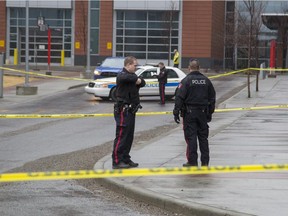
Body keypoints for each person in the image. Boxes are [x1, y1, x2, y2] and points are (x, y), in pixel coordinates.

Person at [173, 59, 216, 167]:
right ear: (199, 67)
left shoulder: (186, 80)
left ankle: (192, 161)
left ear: (189, 68)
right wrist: (210, 112)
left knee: (191, 138)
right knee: (203, 138)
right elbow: (212, 97)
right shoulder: (206, 80)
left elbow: (179, 97)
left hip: (190, 113)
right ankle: (205, 162)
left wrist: (176, 112)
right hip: (202, 113)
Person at [112, 56, 146, 169]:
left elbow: (142, 82)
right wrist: (137, 79)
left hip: (131, 110)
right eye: (134, 65)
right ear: (128, 65)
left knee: (129, 136)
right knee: (121, 135)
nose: (136, 67)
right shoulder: (122, 75)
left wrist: (138, 80)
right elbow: (130, 79)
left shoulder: (132, 76)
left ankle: (125, 158)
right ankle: (117, 161)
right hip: (123, 110)